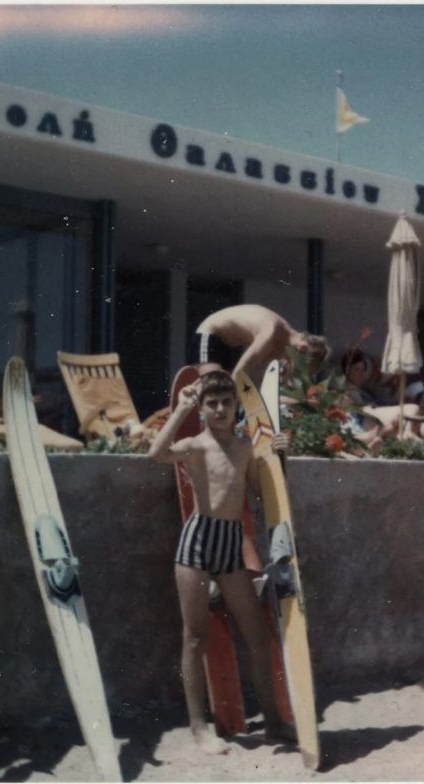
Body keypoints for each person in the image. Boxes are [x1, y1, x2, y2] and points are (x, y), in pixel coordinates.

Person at [148, 371, 295, 753]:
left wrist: (280, 456)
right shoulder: (196, 445)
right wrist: (180, 409)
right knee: (194, 636)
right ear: (203, 408)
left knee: (258, 637)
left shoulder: (245, 447)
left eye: (226, 402)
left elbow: (263, 494)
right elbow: (156, 453)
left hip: (230, 547)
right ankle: (199, 728)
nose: (219, 409)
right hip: (196, 545)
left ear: (236, 406)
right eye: (211, 403)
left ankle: (275, 723)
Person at [191, 304, 330, 386]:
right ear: (302, 348)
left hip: (229, 346)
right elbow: (241, 373)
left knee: (224, 390)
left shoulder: (281, 349)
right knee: (215, 387)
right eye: (300, 368)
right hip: (210, 333)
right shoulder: (270, 331)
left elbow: (255, 380)